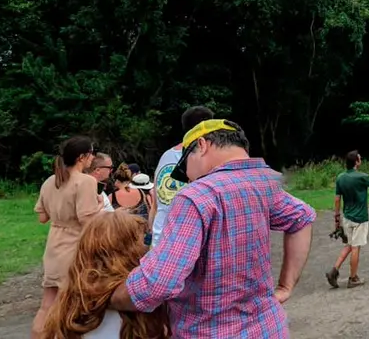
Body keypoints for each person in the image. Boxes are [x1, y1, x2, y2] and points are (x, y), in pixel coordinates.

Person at [111, 118, 316, 338]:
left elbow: (158, 283)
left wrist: (110, 298)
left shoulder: (196, 196)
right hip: (269, 328)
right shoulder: (266, 183)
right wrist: (285, 286)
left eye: (185, 167)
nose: (188, 178)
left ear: (201, 145)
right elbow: (302, 218)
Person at [43, 211, 169, 339]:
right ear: (129, 251)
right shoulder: (137, 301)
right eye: (147, 240)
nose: (150, 248)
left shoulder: (72, 301)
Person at [32, 136, 101, 339]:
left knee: (46, 307)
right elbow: (87, 221)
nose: (93, 158)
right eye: (91, 153)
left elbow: (42, 217)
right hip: (74, 249)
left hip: (53, 248)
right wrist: (99, 207)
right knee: (72, 309)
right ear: (82, 157)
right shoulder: (86, 181)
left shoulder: (50, 181)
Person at [150, 105, 213, 247]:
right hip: (184, 244)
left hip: (159, 238)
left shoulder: (165, 156)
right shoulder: (202, 159)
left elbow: (155, 204)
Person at [326, 151, 369, 289]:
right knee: (356, 247)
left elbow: (337, 199)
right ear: (356, 162)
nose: (361, 159)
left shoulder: (340, 178)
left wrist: (337, 218)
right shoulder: (361, 177)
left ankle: (333, 271)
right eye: (360, 158)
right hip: (360, 218)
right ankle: (353, 278)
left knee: (349, 246)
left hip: (347, 217)